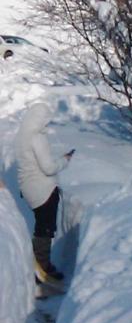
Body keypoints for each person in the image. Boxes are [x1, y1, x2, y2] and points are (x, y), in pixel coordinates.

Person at [15, 102, 72, 288]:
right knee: (45, 229)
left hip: (28, 188)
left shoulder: (21, 136)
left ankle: (39, 266)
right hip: (43, 189)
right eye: (46, 120)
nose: (46, 124)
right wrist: (64, 161)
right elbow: (48, 168)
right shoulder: (37, 138)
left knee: (41, 226)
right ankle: (42, 268)